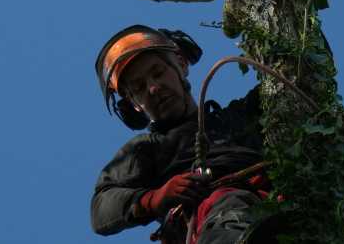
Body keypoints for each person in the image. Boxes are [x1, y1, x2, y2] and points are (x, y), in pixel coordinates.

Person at [91, 25, 268, 244]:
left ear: (181, 65)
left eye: (158, 73)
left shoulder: (240, 115)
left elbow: (301, 81)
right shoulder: (146, 149)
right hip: (214, 220)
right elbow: (101, 207)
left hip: (278, 206)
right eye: (138, 87)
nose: (153, 88)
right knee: (228, 203)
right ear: (134, 104)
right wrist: (153, 199)